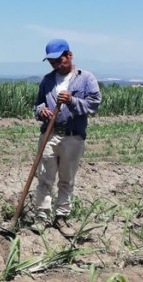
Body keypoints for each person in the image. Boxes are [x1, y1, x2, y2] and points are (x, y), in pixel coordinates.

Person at [25, 38, 101, 236]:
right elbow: (38, 104)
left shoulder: (86, 78)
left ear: (70, 55)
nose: (57, 65)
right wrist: (41, 112)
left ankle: (62, 217)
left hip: (73, 137)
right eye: (53, 62)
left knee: (66, 180)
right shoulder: (48, 80)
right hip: (49, 135)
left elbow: (93, 104)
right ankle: (41, 217)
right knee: (44, 178)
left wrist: (72, 101)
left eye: (60, 61)